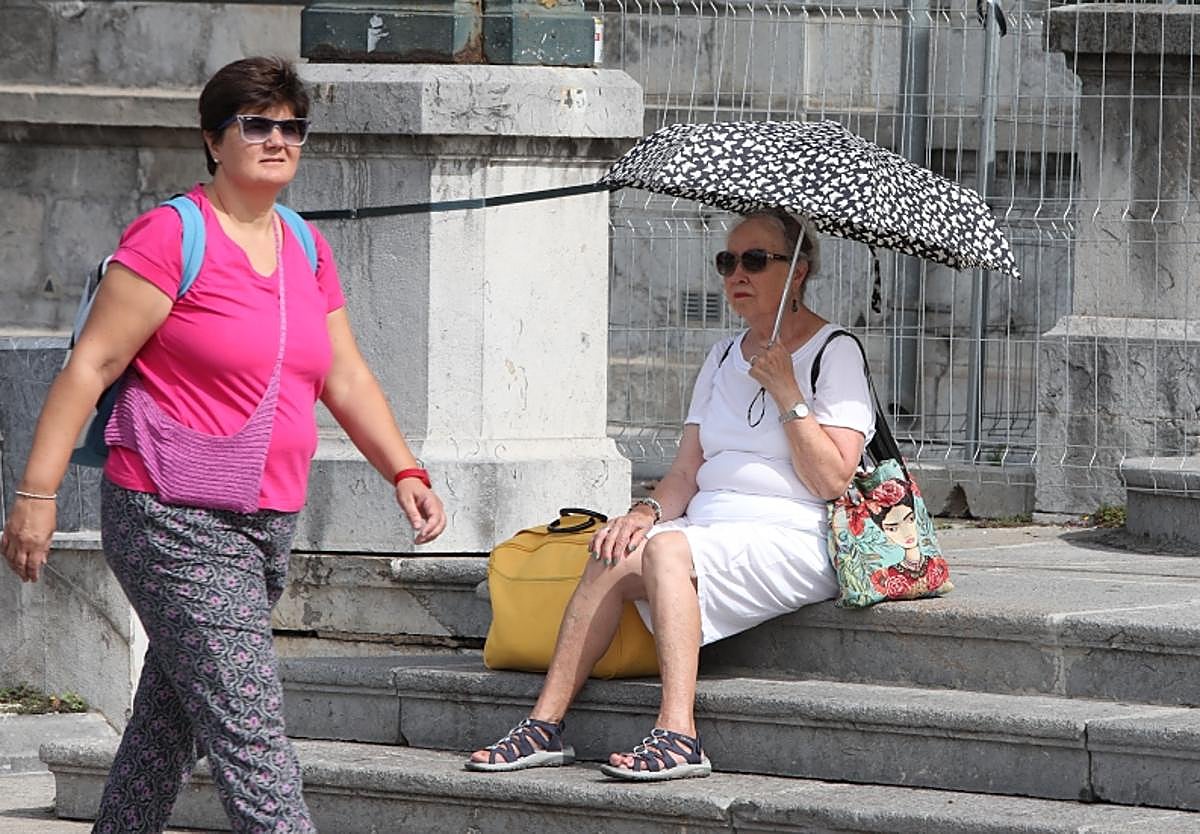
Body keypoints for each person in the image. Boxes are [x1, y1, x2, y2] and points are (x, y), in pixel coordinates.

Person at [1, 56, 445, 832]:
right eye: (257, 124)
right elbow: (90, 366)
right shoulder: (173, 234)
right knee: (253, 738)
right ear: (213, 139)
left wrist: (402, 468)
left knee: (166, 728)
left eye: (293, 128)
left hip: (267, 522)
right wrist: (37, 495)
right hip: (170, 516)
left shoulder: (305, 246)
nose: (278, 140)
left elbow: (343, 374)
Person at [466, 209, 874, 781]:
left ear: (799, 271)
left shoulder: (836, 351)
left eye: (756, 260)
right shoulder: (721, 357)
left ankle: (680, 735)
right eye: (727, 261)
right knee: (613, 551)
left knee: (666, 549)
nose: (737, 274)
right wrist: (644, 511)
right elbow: (685, 471)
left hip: (796, 533)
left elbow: (832, 481)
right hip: (712, 528)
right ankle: (543, 725)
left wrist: (788, 393)